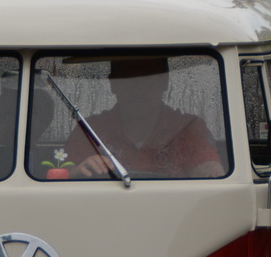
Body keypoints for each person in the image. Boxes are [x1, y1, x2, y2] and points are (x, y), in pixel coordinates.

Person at [63, 58, 225, 179]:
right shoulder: (89, 130)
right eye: (128, 79)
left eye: (148, 79)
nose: (138, 89)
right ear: (113, 83)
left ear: (165, 82)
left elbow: (213, 179)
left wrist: (205, 171)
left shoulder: (189, 129)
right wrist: (78, 171)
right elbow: (57, 175)